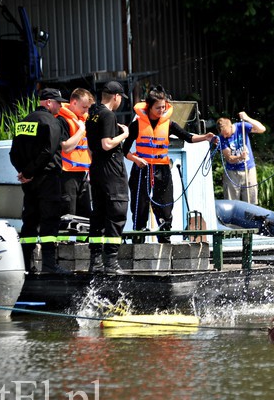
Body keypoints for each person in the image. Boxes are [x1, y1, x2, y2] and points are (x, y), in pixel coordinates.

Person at [123, 86, 215, 242]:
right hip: (142, 168)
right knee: (140, 206)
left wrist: (206, 137)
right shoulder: (137, 125)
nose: (161, 110)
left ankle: (165, 239)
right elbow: (125, 150)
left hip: (162, 169)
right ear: (149, 107)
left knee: (165, 206)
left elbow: (188, 137)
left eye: (164, 107)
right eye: (158, 108)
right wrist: (136, 160)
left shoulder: (169, 124)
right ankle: (138, 240)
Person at [9, 88, 69, 274]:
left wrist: (24, 173)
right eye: (58, 102)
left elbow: (14, 153)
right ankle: (49, 265)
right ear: (49, 102)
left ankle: (26, 264)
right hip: (47, 179)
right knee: (49, 220)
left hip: (30, 182)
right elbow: (48, 151)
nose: (60, 106)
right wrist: (31, 171)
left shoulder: (23, 122)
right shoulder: (52, 122)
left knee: (30, 220)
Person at [86, 81, 130, 274]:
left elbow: (91, 146)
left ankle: (95, 261)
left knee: (99, 214)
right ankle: (111, 262)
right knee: (116, 212)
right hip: (111, 170)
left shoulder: (92, 115)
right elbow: (106, 143)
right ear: (116, 97)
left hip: (97, 168)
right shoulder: (108, 114)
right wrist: (125, 134)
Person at [57, 88, 95, 218]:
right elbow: (66, 147)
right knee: (68, 213)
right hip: (67, 174)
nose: (86, 111)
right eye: (84, 107)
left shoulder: (83, 119)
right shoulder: (62, 120)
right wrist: (81, 130)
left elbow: (88, 148)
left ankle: (82, 239)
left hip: (82, 173)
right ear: (73, 103)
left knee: (85, 215)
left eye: (88, 108)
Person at [217, 111, 266, 205]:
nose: (225, 136)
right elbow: (229, 159)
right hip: (232, 172)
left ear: (231, 126)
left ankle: (250, 219)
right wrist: (240, 157)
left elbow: (262, 129)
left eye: (226, 133)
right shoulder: (222, 138)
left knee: (251, 202)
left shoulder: (241, 127)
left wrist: (247, 118)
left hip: (248, 169)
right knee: (230, 202)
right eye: (223, 134)